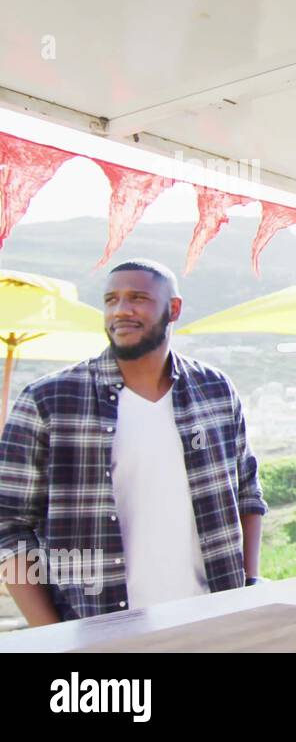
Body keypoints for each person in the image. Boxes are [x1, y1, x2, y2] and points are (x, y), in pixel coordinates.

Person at [0, 259, 266, 625]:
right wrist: (51, 634)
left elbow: (247, 494)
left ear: (173, 309)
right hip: (97, 631)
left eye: (137, 298)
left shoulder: (215, 390)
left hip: (213, 622)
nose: (121, 310)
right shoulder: (48, 400)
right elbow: (8, 524)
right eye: (111, 300)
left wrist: (249, 584)